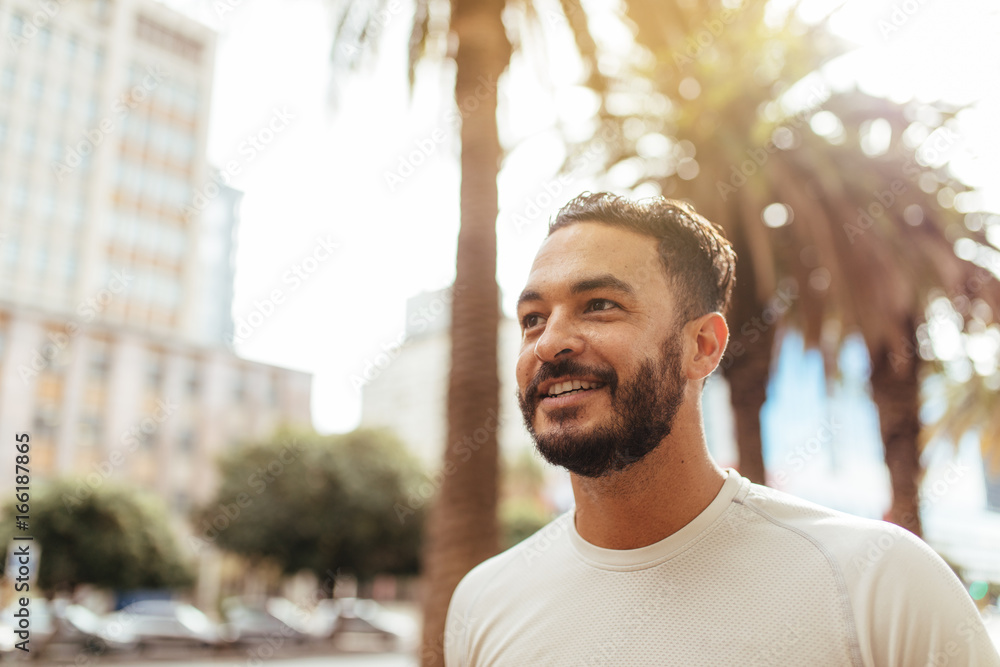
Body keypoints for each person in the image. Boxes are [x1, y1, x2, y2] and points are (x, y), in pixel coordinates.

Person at [443, 192, 1000, 666]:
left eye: (600, 305)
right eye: (532, 318)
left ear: (702, 346)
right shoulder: (483, 604)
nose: (549, 342)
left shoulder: (880, 583)